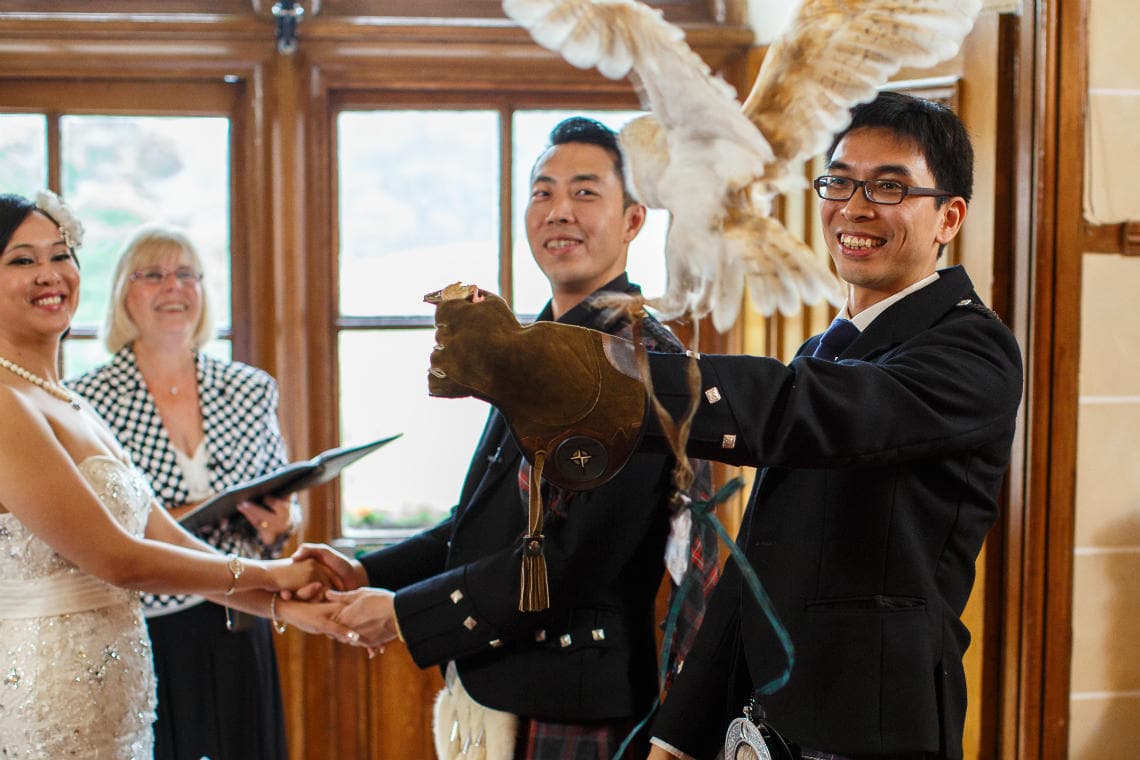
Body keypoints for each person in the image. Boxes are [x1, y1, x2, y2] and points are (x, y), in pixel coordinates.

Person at [426, 93, 1024, 759]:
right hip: (766, 727)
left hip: (873, 730)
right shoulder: (826, 349)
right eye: (841, 181)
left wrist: (583, 369)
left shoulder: (973, 351)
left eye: (889, 187)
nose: (855, 207)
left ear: (949, 215)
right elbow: (753, 573)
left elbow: (806, 405)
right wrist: (678, 737)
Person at [296, 117, 715, 759]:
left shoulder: (640, 361)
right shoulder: (534, 344)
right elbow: (480, 525)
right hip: (501, 691)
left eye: (584, 192)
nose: (558, 213)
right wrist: (365, 571)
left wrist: (405, 614)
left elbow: (574, 561)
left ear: (633, 220)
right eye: (542, 192)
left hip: (573, 702)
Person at [0, 191, 348, 759]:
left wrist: (279, 604)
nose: (50, 274)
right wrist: (278, 574)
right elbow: (120, 558)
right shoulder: (5, 400)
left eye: (60, 255)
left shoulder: (69, 402)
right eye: (22, 260)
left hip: (120, 694)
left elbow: (161, 532)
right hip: (42, 696)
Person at [67, 225, 297, 760]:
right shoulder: (86, 398)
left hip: (242, 615)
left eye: (187, 274)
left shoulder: (249, 387)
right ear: (125, 292)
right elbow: (99, 525)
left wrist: (282, 523)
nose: (174, 287)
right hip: (149, 625)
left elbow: (285, 500)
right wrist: (199, 514)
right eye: (153, 275)